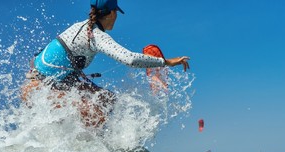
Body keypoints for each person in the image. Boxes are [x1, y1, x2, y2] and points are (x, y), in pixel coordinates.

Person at [22, 0, 190, 127]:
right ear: (111, 14)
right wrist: (166, 62)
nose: (116, 17)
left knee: (107, 99)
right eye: (116, 13)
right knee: (96, 111)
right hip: (40, 91)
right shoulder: (96, 36)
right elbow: (130, 59)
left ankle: (93, 147)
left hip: (41, 84)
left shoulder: (79, 27)